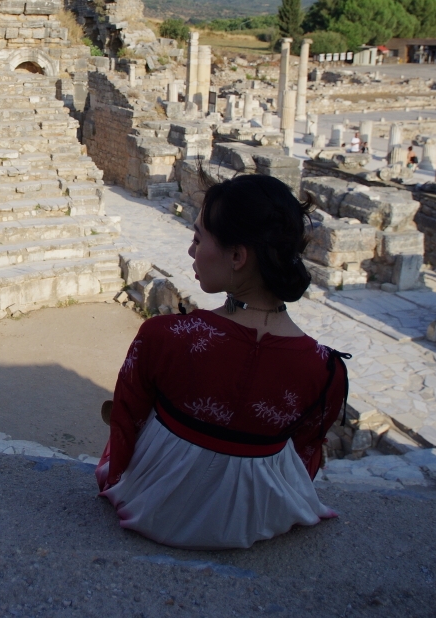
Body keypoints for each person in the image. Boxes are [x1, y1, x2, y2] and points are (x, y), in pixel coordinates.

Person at [96, 174, 349, 550]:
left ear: (237, 256)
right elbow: (305, 454)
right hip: (260, 516)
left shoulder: (164, 336)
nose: (190, 251)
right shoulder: (326, 369)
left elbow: (126, 424)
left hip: (156, 506)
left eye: (198, 239)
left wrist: (113, 477)